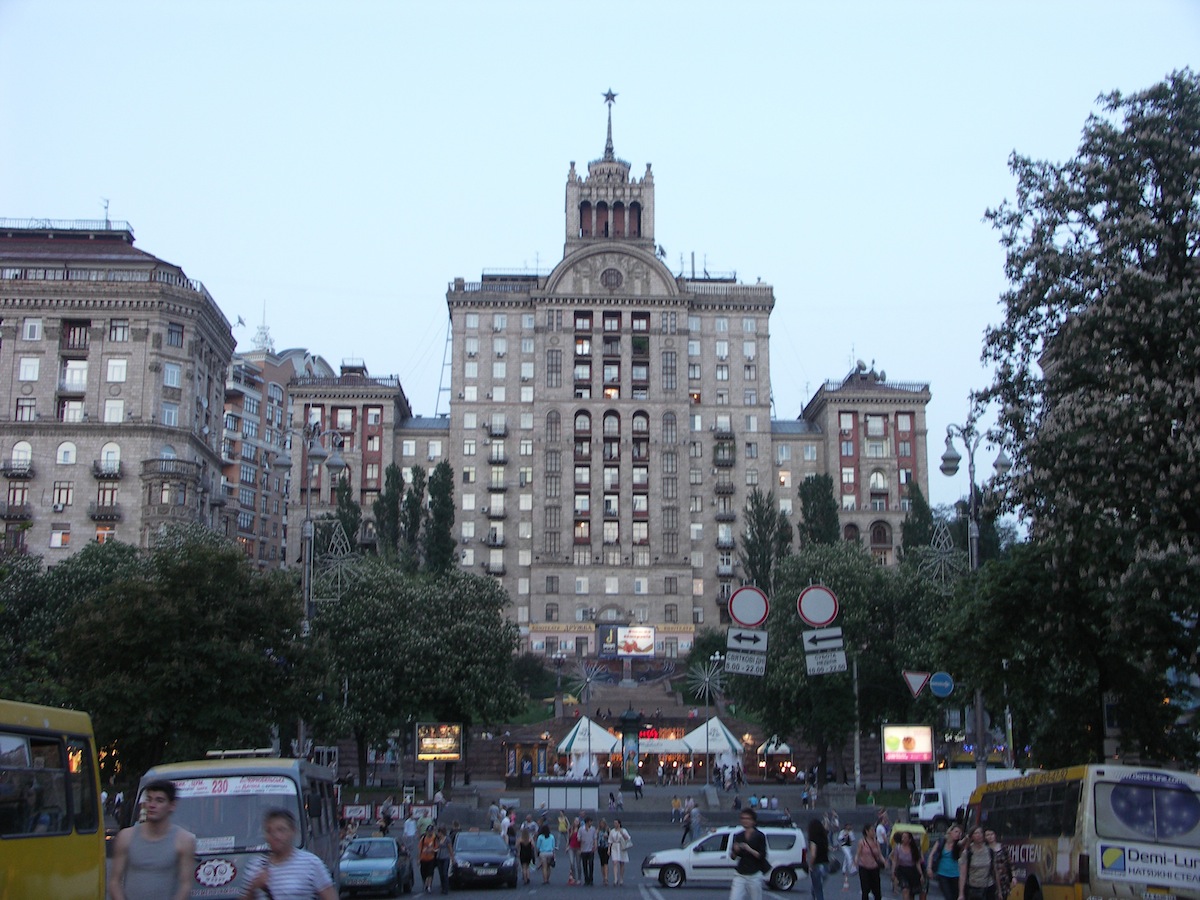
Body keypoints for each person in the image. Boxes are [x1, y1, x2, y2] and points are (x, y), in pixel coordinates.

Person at [109, 779, 196, 900]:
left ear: (172, 805)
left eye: (159, 800)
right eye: (149, 799)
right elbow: (115, 881)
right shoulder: (126, 836)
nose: (152, 805)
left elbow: (185, 885)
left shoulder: (184, 840)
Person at [241, 808, 337, 900]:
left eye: (281, 830)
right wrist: (254, 886)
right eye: (269, 831)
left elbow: (330, 896)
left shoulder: (311, 863)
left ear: (293, 831)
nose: (275, 836)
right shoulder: (256, 865)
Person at [729, 807, 770, 900]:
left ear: (753, 821)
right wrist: (735, 850)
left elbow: (762, 855)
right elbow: (733, 857)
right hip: (740, 873)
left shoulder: (759, 836)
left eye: (748, 818)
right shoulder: (738, 835)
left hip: (754, 874)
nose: (745, 821)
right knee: (734, 897)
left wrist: (749, 849)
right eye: (743, 818)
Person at [958, 827, 1003, 900]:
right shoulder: (967, 853)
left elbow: (995, 871)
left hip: (989, 887)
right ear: (972, 837)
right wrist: (961, 894)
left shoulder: (990, 851)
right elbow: (963, 874)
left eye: (981, 833)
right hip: (974, 888)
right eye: (976, 833)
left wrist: (999, 891)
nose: (979, 835)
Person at [928, 825, 963, 900]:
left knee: (955, 896)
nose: (957, 834)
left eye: (960, 833)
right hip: (942, 873)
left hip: (955, 874)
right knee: (948, 896)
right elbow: (932, 855)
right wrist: (929, 868)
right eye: (956, 832)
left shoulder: (958, 844)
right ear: (950, 832)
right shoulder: (941, 841)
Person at [855, 823, 886, 900]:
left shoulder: (876, 842)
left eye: (874, 830)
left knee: (877, 891)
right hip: (864, 868)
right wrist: (855, 861)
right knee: (865, 890)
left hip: (874, 868)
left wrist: (884, 861)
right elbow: (858, 854)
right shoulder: (862, 842)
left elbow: (879, 854)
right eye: (872, 830)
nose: (873, 832)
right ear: (867, 831)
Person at [890, 830, 923, 900]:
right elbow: (895, 860)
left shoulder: (914, 849)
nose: (903, 839)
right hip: (902, 871)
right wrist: (893, 872)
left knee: (911, 894)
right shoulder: (898, 848)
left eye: (905, 837)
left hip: (912, 871)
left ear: (909, 840)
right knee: (905, 889)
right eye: (902, 837)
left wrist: (921, 874)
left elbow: (917, 862)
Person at [984, 829, 1013, 900]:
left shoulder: (1003, 848)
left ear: (995, 835)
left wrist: (1013, 876)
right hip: (990, 880)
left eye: (991, 834)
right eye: (988, 835)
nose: (990, 837)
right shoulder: (985, 849)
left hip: (1003, 879)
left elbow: (1010, 863)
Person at [807, 818, 830, 900]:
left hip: (817, 865)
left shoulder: (813, 840)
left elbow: (813, 855)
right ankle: (813, 895)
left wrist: (810, 865)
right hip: (826, 864)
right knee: (818, 886)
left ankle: (815, 896)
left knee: (818, 888)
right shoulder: (824, 838)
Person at [608, 818, 631, 886]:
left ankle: (621, 878)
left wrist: (622, 834)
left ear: (619, 824)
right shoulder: (612, 831)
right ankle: (615, 878)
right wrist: (609, 849)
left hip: (621, 846)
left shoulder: (623, 830)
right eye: (614, 823)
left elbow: (628, 838)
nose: (615, 824)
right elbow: (610, 840)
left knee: (622, 863)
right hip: (614, 846)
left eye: (616, 823)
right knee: (615, 862)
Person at [418, 824, 439, 894]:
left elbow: (437, 848)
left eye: (431, 831)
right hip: (423, 858)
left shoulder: (434, 838)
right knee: (423, 872)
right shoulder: (423, 838)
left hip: (431, 858)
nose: (430, 832)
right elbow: (420, 849)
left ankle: (429, 886)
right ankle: (425, 883)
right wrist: (418, 859)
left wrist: (432, 850)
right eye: (429, 831)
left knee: (430, 873)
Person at [579, 815, 598, 885]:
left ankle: (591, 879)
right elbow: (578, 837)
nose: (591, 823)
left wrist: (595, 845)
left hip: (591, 849)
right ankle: (586, 879)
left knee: (591, 864)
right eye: (590, 822)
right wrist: (581, 840)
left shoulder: (593, 829)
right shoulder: (581, 829)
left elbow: (595, 838)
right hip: (583, 849)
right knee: (584, 865)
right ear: (587, 822)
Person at [434, 825, 453, 894]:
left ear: (441, 833)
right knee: (441, 873)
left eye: (439, 832)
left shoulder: (447, 839)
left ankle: (446, 888)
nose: (438, 834)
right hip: (439, 857)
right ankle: (442, 887)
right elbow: (436, 846)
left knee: (445, 873)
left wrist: (452, 857)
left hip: (446, 857)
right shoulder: (437, 839)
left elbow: (450, 848)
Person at [567, 817, 582, 885]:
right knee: (572, 863)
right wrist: (567, 846)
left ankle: (579, 878)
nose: (576, 822)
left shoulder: (581, 829)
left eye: (577, 821)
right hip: (571, 847)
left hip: (578, 848)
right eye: (575, 821)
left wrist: (581, 848)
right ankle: (574, 877)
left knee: (578, 864)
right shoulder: (571, 829)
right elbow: (568, 838)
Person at [597, 817, 611, 885]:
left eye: (603, 823)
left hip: (606, 847)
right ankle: (603, 877)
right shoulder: (598, 830)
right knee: (602, 863)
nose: (602, 824)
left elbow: (611, 838)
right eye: (601, 823)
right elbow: (595, 837)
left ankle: (606, 878)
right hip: (600, 847)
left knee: (606, 863)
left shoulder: (608, 829)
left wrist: (607, 836)